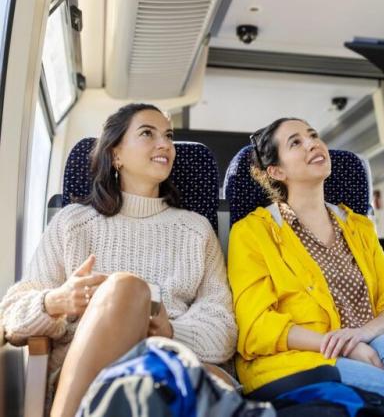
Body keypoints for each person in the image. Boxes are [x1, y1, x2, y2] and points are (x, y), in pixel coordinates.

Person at [228, 117, 384, 417]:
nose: (313, 143)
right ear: (276, 171)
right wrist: (341, 345)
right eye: (295, 142)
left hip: (371, 340)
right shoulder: (253, 232)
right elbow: (256, 326)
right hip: (303, 358)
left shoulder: (358, 226)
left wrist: (362, 334)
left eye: (313, 135)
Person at [0, 103, 237, 417]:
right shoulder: (73, 223)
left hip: (167, 371)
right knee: (127, 289)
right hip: (89, 379)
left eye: (168, 135)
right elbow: (11, 316)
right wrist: (58, 300)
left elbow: (223, 330)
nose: (165, 144)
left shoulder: (197, 230)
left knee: (214, 382)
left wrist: (169, 332)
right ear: (116, 154)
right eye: (147, 134)